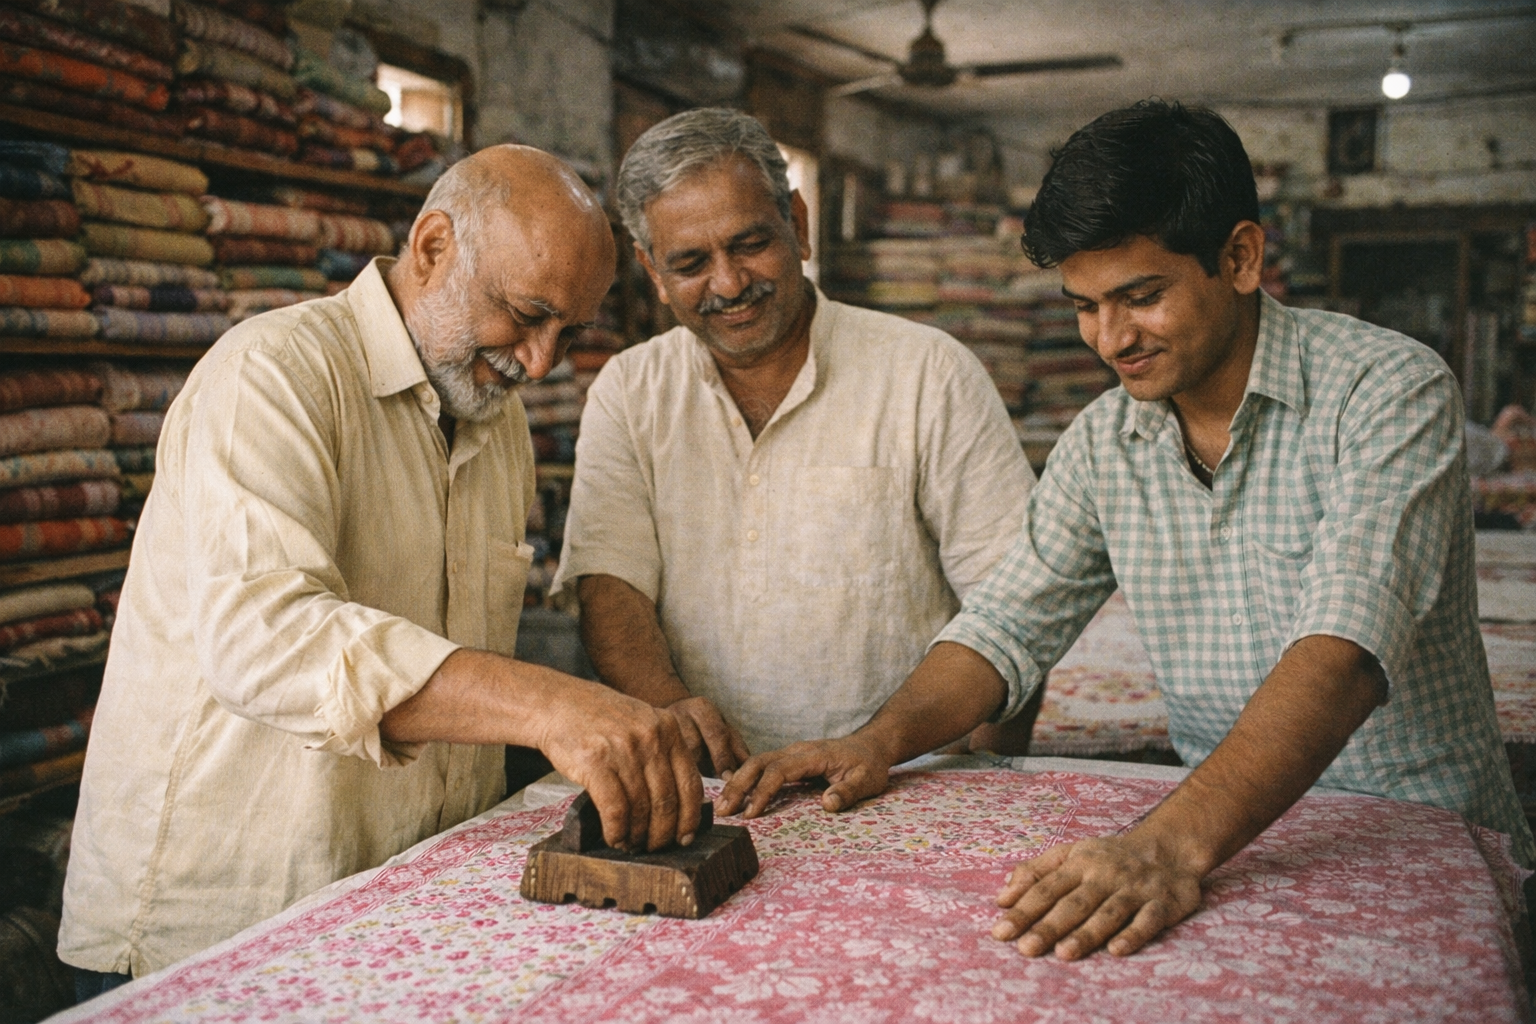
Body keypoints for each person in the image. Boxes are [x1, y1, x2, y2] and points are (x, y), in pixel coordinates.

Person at [717, 100, 1536, 960]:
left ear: (1241, 257)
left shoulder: (1388, 392)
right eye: (1085, 306)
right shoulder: (1109, 442)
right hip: (1232, 853)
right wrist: (875, 742)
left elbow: (1342, 656)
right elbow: (1003, 631)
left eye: (1141, 297)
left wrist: (1164, 846)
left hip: (1416, 849)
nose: (1111, 339)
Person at [59, 146, 704, 992]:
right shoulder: (275, 374)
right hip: (222, 921)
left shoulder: (494, 422)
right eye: (524, 313)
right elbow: (267, 639)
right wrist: (552, 704)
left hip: (396, 911)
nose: (541, 362)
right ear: (433, 247)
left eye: (569, 332)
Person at [552, 108, 1035, 772]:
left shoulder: (930, 375)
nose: (729, 283)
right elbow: (611, 585)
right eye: (690, 262)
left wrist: (980, 776)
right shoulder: (629, 392)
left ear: (799, 226)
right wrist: (670, 708)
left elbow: (1014, 609)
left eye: (750, 244)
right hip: (711, 789)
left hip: (907, 782)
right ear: (652, 273)